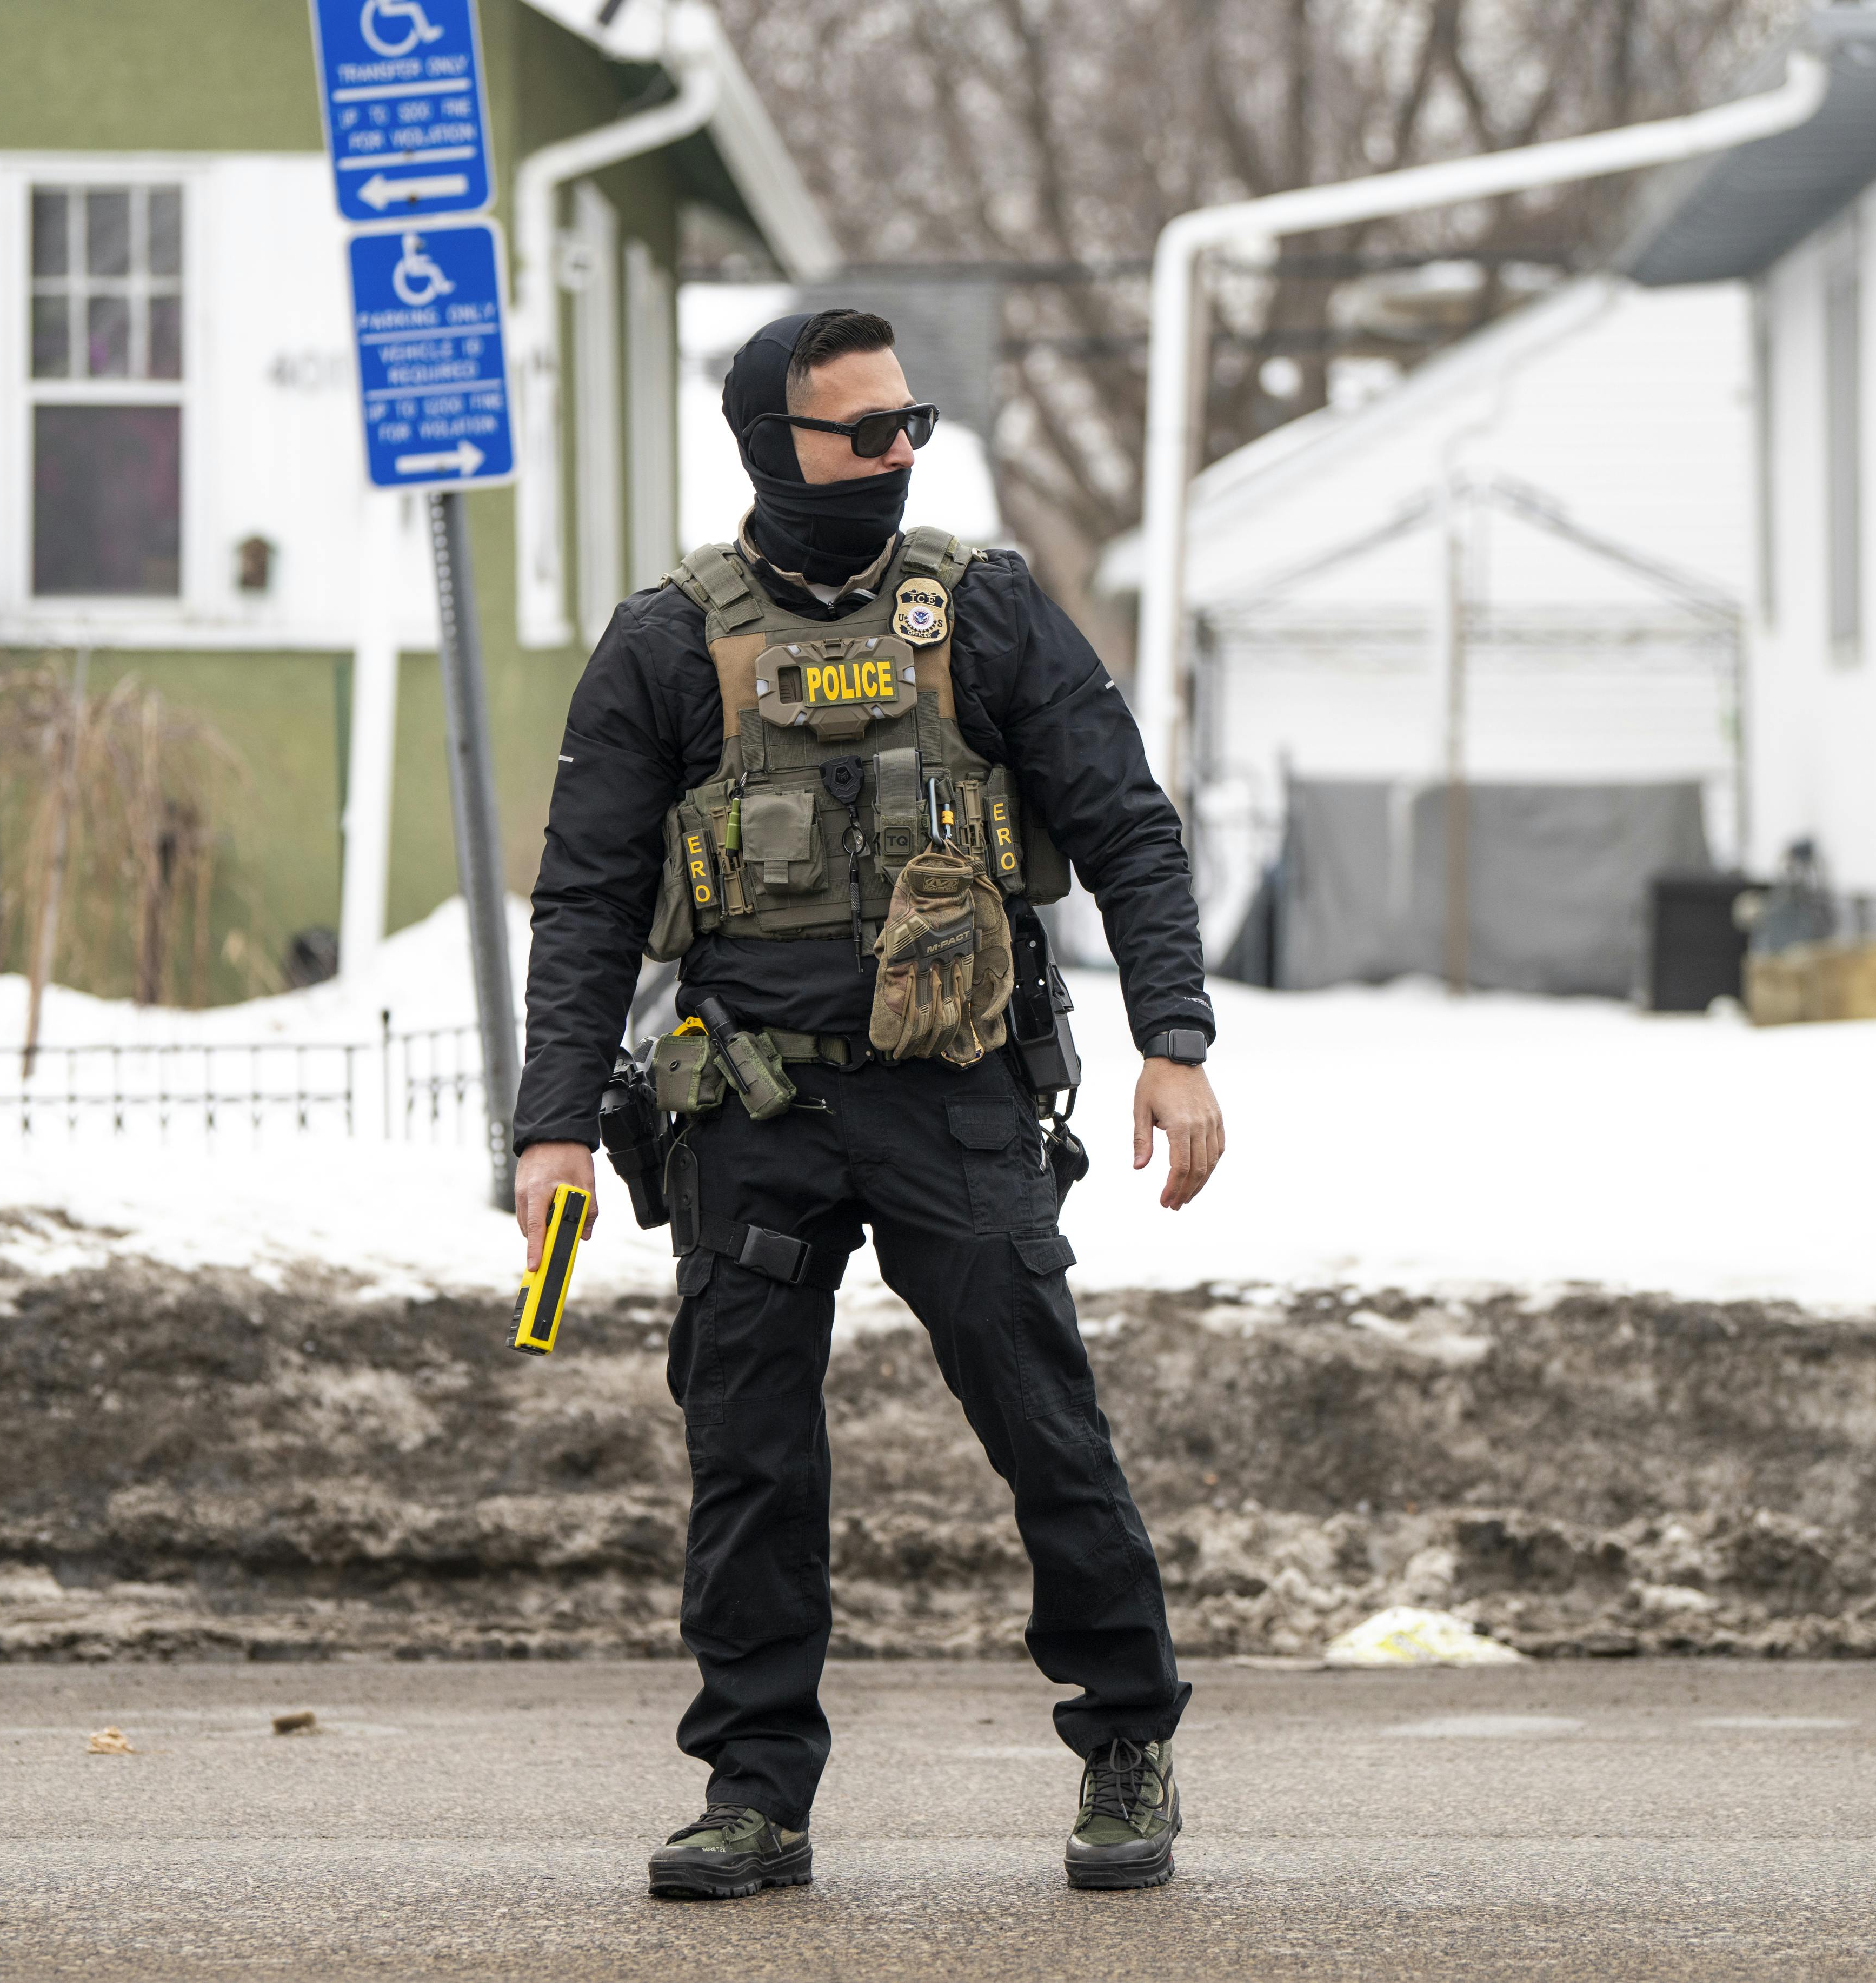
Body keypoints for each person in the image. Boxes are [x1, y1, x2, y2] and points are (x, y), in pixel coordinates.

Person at [512, 308, 1225, 1899]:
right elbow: (587, 900)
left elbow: (1124, 822)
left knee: (1045, 1426)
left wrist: (1171, 1036)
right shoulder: (665, 642)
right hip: (749, 1113)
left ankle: (1125, 1737)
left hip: (956, 1099)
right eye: (865, 434)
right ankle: (754, 1790)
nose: (899, 456)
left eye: (912, 427)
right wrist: (551, 1125)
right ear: (774, 448)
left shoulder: (981, 612)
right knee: (748, 1455)